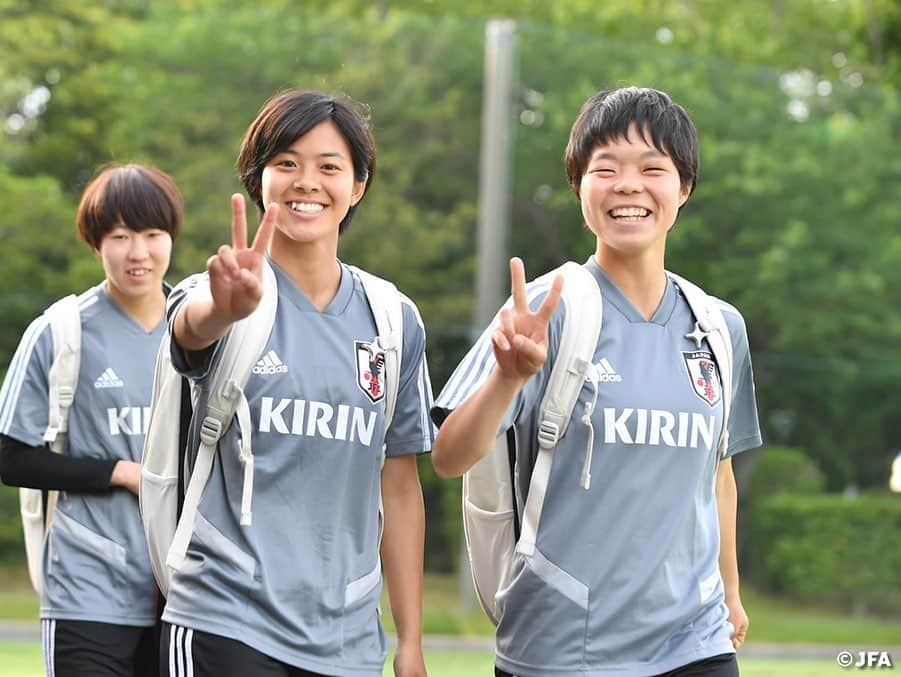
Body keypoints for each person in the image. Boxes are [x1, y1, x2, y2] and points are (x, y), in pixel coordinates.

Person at [432, 86, 762, 677]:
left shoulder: (718, 326)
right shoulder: (542, 311)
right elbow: (449, 456)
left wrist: (729, 591)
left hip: (696, 642)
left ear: (683, 188)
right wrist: (508, 379)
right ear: (579, 188)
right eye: (604, 169)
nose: (628, 186)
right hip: (563, 647)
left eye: (652, 169)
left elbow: (717, 474)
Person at [159, 89, 433, 677]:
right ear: (258, 179)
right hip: (224, 619)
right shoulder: (218, 291)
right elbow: (189, 330)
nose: (306, 181)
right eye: (286, 163)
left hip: (348, 640)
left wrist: (409, 640)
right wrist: (224, 309)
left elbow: (401, 484)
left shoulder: (393, 319)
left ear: (357, 186)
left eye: (329, 167)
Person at [0, 163, 184, 676]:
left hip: (190, 596)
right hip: (88, 591)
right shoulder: (61, 332)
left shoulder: (202, 330)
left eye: (152, 235)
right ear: (95, 241)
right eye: (121, 236)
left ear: (171, 238)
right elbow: (10, 458)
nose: (139, 253)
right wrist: (119, 473)